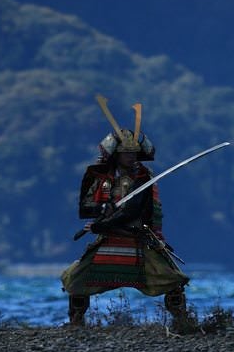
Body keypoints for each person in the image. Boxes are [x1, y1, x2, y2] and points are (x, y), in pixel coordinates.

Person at [61, 99, 190, 328]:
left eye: (134, 152)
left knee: (172, 279)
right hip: (109, 239)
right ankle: (76, 322)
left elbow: (134, 211)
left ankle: (182, 320)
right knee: (77, 277)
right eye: (126, 152)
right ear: (115, 154)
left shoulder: (143, 178)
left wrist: (102, 225)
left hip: (138, 236)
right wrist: (103, 210)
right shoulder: (97, 176)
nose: (131, 156)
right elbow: (85, 208)